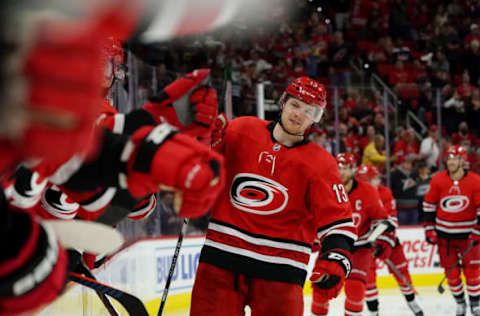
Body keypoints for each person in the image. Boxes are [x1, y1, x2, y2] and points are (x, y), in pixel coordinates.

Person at [190, 77, 357, 316]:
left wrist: (336, 258)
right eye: (295, 105)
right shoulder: (240, 129)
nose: (299, 114)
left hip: (281, 273)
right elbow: (200, 175)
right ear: (283, 103)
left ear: (315, 118)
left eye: (309, 110)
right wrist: (203, 142)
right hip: (221, 262)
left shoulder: (322, 164)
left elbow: (339, 223)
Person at [311, 153, 393, 316]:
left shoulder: (368, 191)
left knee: (355, 290)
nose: (341, 172)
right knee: (320, 290)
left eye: (346, 168)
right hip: (331, 246)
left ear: (354, 169)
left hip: (360, 248)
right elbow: (313, 216)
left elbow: (383, 220)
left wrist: (382, 241)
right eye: (339, 167)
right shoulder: (325, 187)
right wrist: (312, 237)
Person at [356, 164, 423, 316]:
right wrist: (367, 240)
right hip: (365, 245)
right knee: (368, 279)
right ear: (365, 180)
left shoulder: (384, 192)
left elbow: (391, 220)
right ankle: (374, 312)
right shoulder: (355, 194)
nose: (379, 180)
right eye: (375, 178)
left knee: (401, 269)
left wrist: (381, 242)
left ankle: (411, 301)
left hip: (388, 239)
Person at [423, 145, 480, 316]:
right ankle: (460, 303)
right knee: (452, 274)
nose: (451, 162)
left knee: (472, 272)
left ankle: (475, 304)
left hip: (468, 237)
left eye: (454, 158)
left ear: (463, 161)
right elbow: (428, 205)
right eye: (449, 158)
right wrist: (429, 229)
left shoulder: (475, 181)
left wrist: (477, 230)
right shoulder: (438, 180)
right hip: (445, 238)